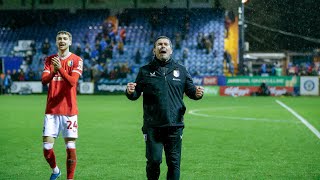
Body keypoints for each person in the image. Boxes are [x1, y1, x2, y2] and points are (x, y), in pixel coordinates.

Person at [125, 36, 204, 180]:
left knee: (174, 163)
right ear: (154, 50)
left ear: (171, 50)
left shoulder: (181, 70)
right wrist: (130, 92)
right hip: (153, 126)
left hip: (175, 125)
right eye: (159, 44)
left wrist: (198, 93)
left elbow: (192, 91)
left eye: (166, 44)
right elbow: (136, 94)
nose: (163, 46)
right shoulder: (145, 71)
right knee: (154, 161)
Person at [41, 31, 83, 180]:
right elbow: (44, 80)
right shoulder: (49, 59)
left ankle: (69, 179)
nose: (62, 41)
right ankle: (56, 171)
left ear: (70, 42)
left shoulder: (77, 60)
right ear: (56, 42)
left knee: (70, 146)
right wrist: (54, 71)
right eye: (59, 38)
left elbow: (73, 82)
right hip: (51, 110)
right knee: (46, 148)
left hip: (69, 110)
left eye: (65, 39)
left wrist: (61, 69)